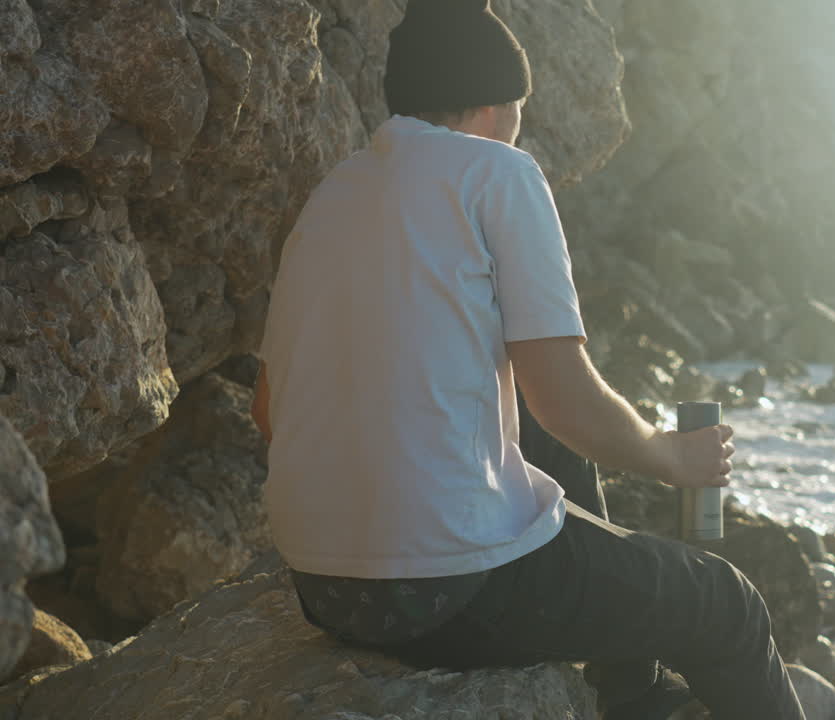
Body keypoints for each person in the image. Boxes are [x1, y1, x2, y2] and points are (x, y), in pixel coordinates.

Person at [251, 1, 806, 718]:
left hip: (322, 588)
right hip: (448, 591)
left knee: (527, 429)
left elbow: (270, 413)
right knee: (726, 604)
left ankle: (630, 691)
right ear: (498, 104)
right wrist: (674, 459)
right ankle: (634, 689)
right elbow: (564, 395)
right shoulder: (499, 172)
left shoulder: (333, 194)